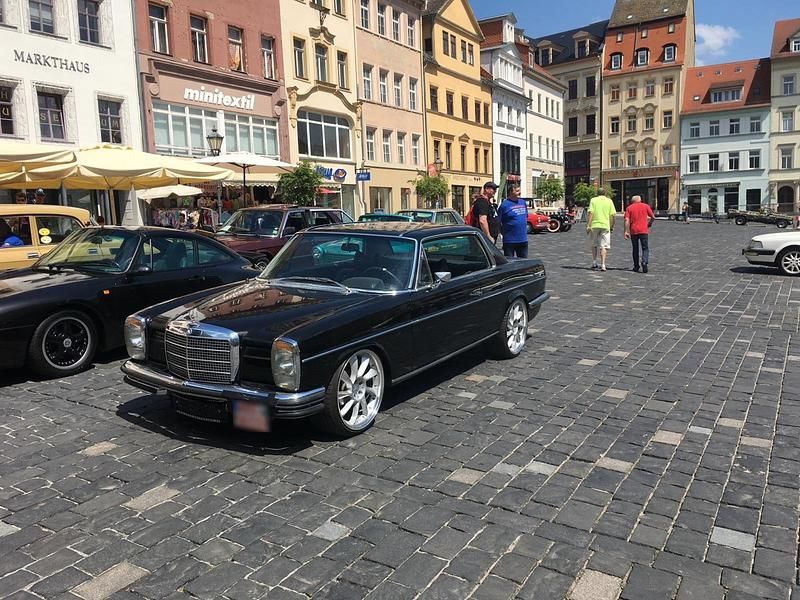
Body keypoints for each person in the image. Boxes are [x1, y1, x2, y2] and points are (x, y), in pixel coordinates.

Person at [587, 188, 617, 271]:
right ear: (605, 193)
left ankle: (594, 262)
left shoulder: (593, 200)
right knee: (604, 246)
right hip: (605, 225)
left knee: (594, 244)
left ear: (597, 193)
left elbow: (591, 213)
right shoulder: (609, 201)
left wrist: (588, 225)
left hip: (595, 225)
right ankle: (603, 264)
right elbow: (613, 215)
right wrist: (612, 226)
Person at [623, 195, 655, 273]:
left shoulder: (629, 208)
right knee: (645, 248)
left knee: (635, 249)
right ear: (640, 200)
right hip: (644, 230)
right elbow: (653, 217)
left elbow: (626, 220)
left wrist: (626, 231)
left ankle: (636, 266)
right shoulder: (646, 206)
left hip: (634, 230)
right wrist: (649, 223)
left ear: (632, 201)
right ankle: (644, 261)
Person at [498, 185, 529, 258]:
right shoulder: (504, 205)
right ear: (511, 192)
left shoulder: (522, 202)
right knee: (510, 263)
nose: (520, 192)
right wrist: (502, 232)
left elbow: (525, 216)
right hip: (509, 241)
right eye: (517, 191)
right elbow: (498, 221)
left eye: (519, 190)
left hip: (522, 239)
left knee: (523, 262)